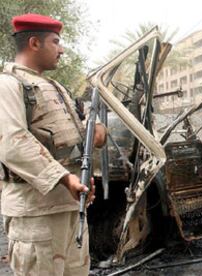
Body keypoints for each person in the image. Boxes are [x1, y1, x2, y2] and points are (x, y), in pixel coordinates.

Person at [0, 13, 106, 275]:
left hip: (70, 208)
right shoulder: (8, 85)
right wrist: (64, 178)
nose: (61, 49)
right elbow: (12, 142)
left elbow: (72, 138)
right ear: (34, 43)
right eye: (56, 41)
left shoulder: (57, 88)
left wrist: (95, 135)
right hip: (36, 214)